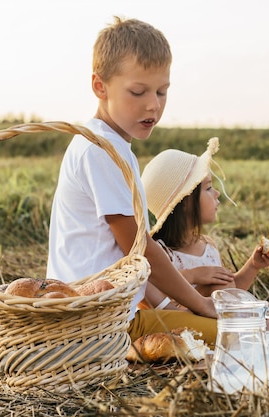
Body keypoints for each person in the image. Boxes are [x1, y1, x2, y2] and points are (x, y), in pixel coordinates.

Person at [46, 16, 217, 346]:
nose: (153, 104)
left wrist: (176, 305)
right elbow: (139, 249)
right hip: (97, 324)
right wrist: (199, 304)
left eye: (162, 91)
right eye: (138, 91)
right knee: (249, 333)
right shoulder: (100, 150)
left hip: (111, 313)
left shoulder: (111, 145)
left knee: (249, 322)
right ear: (100, 87)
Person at [140, 138, 269, 323]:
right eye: (208, 188)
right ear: (185, 203)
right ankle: (250, 336)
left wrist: (253, 266)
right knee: (217, 286)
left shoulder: (208, 245)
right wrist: (193, 275)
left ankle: (249, 334)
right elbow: (151, 293)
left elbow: (232, 290)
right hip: (193, 324)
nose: (217, 193)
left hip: (227, 317)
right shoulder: (161, 253)